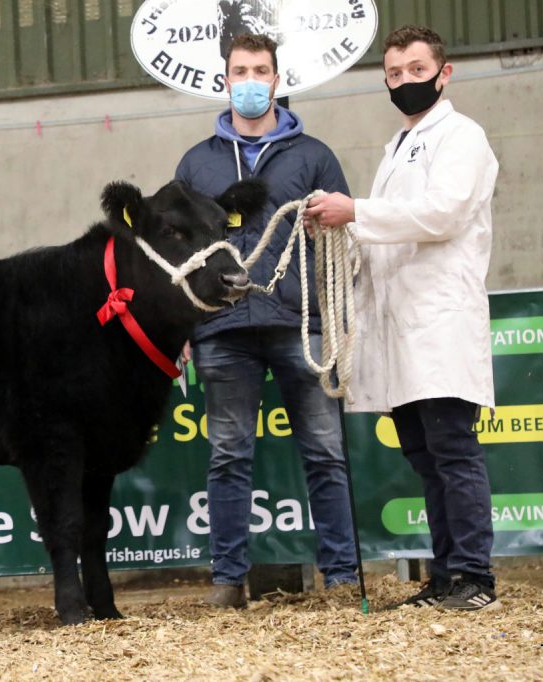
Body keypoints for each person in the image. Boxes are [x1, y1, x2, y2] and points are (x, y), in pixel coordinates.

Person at [304, 25, 500, 611]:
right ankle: (444, 574)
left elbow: (441, 213)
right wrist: (342, 231)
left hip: (439, 321)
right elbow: (387, 228)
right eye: (394, 73)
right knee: (422, 452)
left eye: (416, 70)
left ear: (444, 73)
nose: (405, 81)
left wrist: (355, 210)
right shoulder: (398, 146)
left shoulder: (463, 137)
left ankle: (474, 577)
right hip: (399, 326)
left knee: (452, 450)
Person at [175, 32, 359, 609]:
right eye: (240, 71)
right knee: (229, 455)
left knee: (326, 452)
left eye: (261, 71)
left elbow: (346, 239)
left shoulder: (314, 156)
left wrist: (324, 231)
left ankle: (343, 577)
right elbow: (178, 252)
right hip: (222, 330)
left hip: (298, 321)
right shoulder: (195, 163)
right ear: (224, 79)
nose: (251, 81)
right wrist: (182, 327)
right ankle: (229, 584)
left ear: (277, 81)